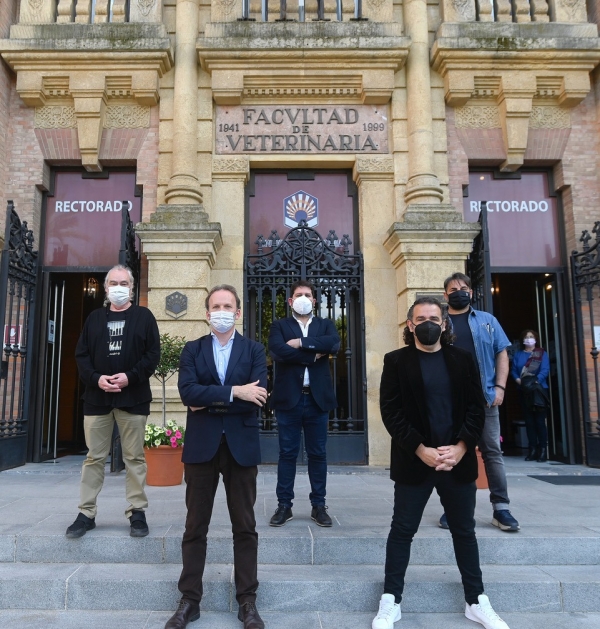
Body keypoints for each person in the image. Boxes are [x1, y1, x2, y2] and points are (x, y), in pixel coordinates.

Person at [373, 296, 510, 629]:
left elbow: (477, 409)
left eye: (434, 317)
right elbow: (391, 413)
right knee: (402, 531)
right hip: (414, 461)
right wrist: (421, 449)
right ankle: (391, 600)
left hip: (456, 462)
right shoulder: (396, 361)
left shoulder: (463, 360)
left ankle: (476, 601)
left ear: (445, 323)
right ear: (410, 325)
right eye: (420, 319)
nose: (428, 323)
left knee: (464, 531)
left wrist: (462, 447)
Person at [164, 284, 267, 629]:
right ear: (207, 313)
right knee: (195, 527)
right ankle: (189, 601)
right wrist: (236, 391)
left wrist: (210, 400)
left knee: (246, 527)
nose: (222, 311)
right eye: (215, 306)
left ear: (238, 312)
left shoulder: (254, 349)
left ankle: (247, 602)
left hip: (241, 448)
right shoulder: (192, 350)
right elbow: (188, 393)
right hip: (201, 448)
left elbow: (260, 396)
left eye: (228, 306)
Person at [67, 265, 160, 539]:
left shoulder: (144, 317)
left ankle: (137, 512)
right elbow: (81, 355)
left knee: (134, 457)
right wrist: (96, 379)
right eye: (114, 283)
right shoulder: (94, 318)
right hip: (97, 399)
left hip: (134, 398)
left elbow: (152, 354)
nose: (119, 287)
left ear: (131, 287)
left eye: (124, 283)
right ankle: (86, 513)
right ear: (106, 288)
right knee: (94, 457)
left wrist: (130, 377)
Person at [439, 272, 520, 533]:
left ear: (471, 293)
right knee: (453, 455)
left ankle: (501, 508)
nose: (459, 291)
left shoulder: (487, 321)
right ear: (445, 295)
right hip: (451, 401)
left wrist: (500, 387)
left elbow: (502, 354)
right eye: (454, 289)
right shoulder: (439, 322)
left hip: (484, 398)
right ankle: (455, 508)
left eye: (464, 288)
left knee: (492, 453)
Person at [268, 279, 340, 528]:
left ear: (314, 300)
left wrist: (300, 344)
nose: (303, 298)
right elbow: (277, 351)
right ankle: (284, 505)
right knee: (287, 454)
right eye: (299, 294)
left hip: (317, 400)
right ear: (290, 301)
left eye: (308, 294)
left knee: (318, 454)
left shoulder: (325, 324)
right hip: (289, 399)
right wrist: (314, 353)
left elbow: (333, 344)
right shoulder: (280, 326)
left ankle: (319, 505)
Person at [511, 329, 550, 462]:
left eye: (531, 337)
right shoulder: (518, 354)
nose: (529, 339)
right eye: (526, 337)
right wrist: (518, 380)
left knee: (539, 421)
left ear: (536, 339)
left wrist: (535, 381)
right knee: (529, 422)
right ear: (523, 340)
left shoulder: (541, 353)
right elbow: (514, 370)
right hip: (524, 391)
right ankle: (532, 449)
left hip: (539, 390)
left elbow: (545, 369)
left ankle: (543, 450)